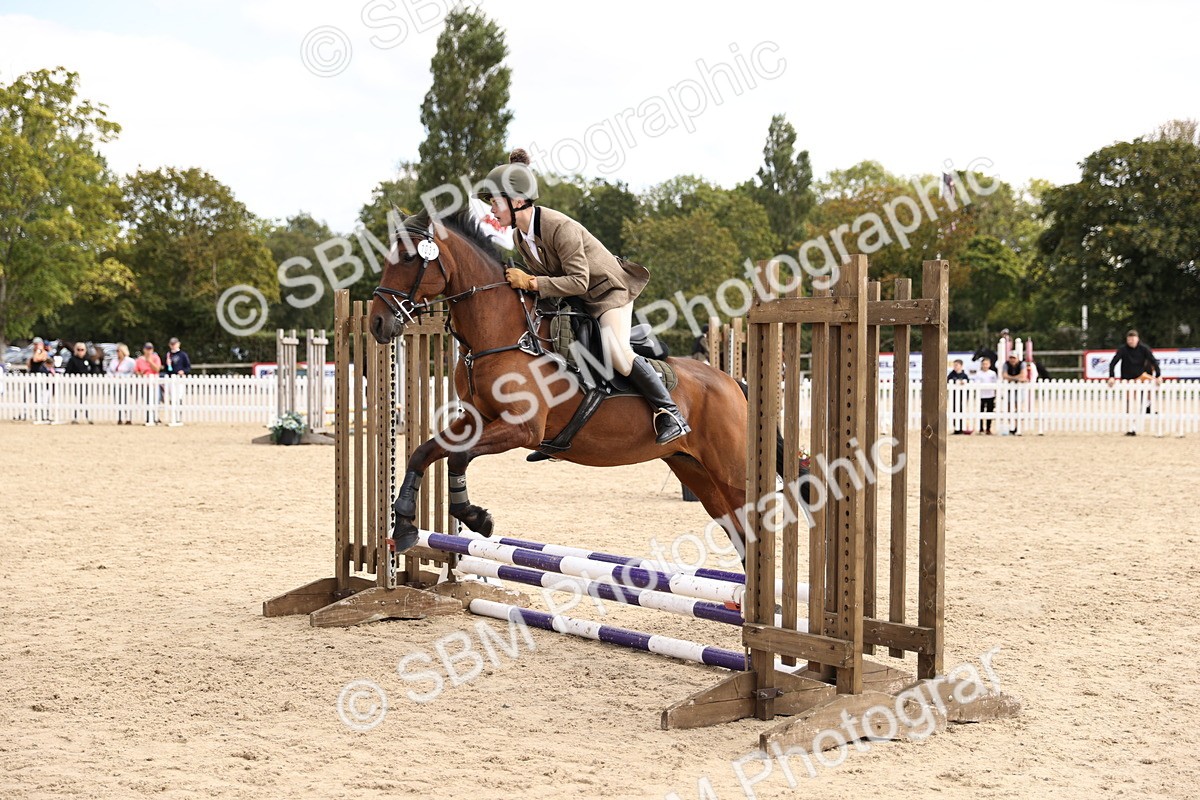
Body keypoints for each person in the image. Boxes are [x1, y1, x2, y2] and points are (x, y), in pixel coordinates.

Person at [481, 148, 689, 444]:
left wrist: (531, 282)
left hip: (608, 292)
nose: (491, 210)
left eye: (494, 202)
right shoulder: (520, 236)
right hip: (578, 300)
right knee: (553, 345)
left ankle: (670, 413)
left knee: (616, 352)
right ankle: (565, 427)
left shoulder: (558, 226)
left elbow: (579, 280)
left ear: (516, 201)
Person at [1108, 330, 1161, 436]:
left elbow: (1154, 361)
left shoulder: (1144, 349)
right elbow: (1113, 363)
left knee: (1153, 384)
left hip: (1140, 376)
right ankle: (1131, 420)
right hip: (1127, 379)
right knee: (1130, 402)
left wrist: (1158, 375)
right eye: (1129, 339)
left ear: (1137, 339)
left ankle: (1148, 405)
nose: (1131, 341)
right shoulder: (1123, 349)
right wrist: (1112, 377)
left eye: (1133, 339)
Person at [64, 342, 98, 424]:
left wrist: (90, 375)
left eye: (82, 350)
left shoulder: (87, 359)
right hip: (75, 383)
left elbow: (95, 368)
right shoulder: (72, 360)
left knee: (85, 400)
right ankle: (75, 417)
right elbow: (67, 371)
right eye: (78, 350)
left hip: (85, 383)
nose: (80, 351)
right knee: (77, 401)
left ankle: (87, 416)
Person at [1001, 351, 1026, 435]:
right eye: (1011, 358)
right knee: (1008, 407)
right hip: (1009, 389)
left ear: (1018, 358)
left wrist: (1010, 378)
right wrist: (1016, 379)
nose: (1012, 360)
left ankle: (1018, 426)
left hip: (1019, 389)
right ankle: (1012, 426)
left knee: (1018, 407)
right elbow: (1004, 376)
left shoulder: (1022, 364)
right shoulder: (1006, 364)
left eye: (1014, 358)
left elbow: (1023, 375)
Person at [975, 356, 998, 434]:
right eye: (983, 364)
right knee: (980, 412)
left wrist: (995, 393)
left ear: (989, 364)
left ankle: (988, 428)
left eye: (986, 364)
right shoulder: (978, 373)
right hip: (981, 395)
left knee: (989, 411)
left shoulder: (992, 373)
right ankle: (981, 428)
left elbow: (995, 383)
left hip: (990, 395)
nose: (985, 365)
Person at [947, 359, 970, 434]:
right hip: (954, 395)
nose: (955, 367)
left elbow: (968, 384)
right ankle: (956, 428)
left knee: (961, 410)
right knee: (954, 410)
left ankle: (961, 427)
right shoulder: (951, 374)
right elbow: (947, 381)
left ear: (961, 366)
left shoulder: (964, 375)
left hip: (962, 396)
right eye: (954, 365)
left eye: (956, 365)